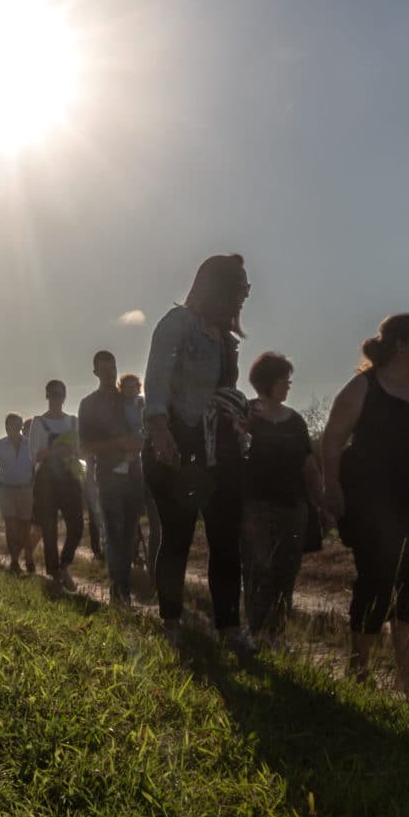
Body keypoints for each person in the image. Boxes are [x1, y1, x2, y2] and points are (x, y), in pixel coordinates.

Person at [320, 313, 409, 692]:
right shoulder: (363, 387)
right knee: (376, 583)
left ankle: (406, 677)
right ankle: (359, 670)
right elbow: (333, 441)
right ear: (399, 345)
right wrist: (331, 486)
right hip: (376, 507)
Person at [142, 254, 253, 653]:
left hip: (217, 447)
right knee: (177, 537)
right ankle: (171, 621)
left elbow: (218, 392)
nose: (244, 295)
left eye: (246, 288)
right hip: (175, 441)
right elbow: (156, 378)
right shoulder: (178, 324)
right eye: (239, 287)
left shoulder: (225, 339)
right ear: (217, 287)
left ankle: (229, 629)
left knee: (225, 538)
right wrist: (160, 430)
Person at [240, 352, 324, 644]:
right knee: (258, 568)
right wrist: (246, 423)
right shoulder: (247, 412)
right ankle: (256, 631)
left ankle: (277, 634)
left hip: (293, 506)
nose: (288, 385)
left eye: (288, 380)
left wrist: (320, 501)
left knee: (286, 573)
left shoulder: (295, 421)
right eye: (282, 380)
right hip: (255, 506)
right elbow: (236, 447)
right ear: (267, 381)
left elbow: (308, 464)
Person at [79, 351, 147, 606]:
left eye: (113, 369)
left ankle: (123, 589)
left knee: (129, 536)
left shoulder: (130, 399)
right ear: (96, 372)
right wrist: (117, 443)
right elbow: (84, 448)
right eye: (105, 370)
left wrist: (139, 443)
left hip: (134, 475)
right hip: (107, 477)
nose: (110, 374)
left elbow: (145, 432)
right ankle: (120, 592)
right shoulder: (89, 404)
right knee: (116, 533)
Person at [26, 381, 84, 586]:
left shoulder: (74, 422)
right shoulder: (38, 423)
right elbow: (34, 456)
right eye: (52, 394)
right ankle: (54, 572)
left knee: (77, 526)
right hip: (46, 480)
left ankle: (64, 564)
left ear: (65, 396)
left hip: (70, 478)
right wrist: (56, 451)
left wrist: (75, 452)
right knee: (48, 528)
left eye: (59, 394)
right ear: (47, 396)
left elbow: (83, 452)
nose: (56, 398)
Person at [0, 413, 37, 574]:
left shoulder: (30, 445)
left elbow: (36, 467)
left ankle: (29, 558)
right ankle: (14, 561)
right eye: (10, 426)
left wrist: (32, 484)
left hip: (25, 490)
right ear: (6, 427)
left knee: (25, 527)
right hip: (6, 490)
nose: (13, 428)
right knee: (11, 527)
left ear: (20, 427)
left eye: (17, 425)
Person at [120, 373, 152, 571]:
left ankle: (137, 547)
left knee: (139, 508)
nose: (131, 389)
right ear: (121, 389)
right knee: (130, 508)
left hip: (143, 455)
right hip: (127, 457)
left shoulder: (143, 404)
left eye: (134, 386)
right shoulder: (119, 407)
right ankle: (133, 550)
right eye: (127, 387)